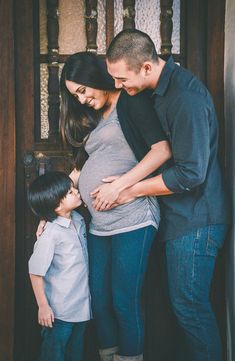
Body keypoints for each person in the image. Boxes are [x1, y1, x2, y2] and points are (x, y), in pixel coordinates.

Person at [89, 29, 229, 361]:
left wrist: (128, 188)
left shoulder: (185, 98)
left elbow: (190, 174)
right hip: (179, 219)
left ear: (148, 68)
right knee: (180, 309)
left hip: (196, 221)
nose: (120, 87)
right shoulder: (155, 92)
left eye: (123, 79)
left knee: (190, 309)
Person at [58, 52, 172, 361]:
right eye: (74, 95)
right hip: (100, 224)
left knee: (124, 300)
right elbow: (81, 169)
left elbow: (161, 151)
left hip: (134, 218)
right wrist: (52, 211)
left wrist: (119, 185)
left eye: (83, 90)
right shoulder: (96, 117)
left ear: (96, 77)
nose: (81, 99)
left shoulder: (130, 101)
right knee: (100, 301)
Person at [28, 171, 91, 361]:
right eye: (70, 192)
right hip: (59, 313)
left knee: (75, 354)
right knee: (54, 354)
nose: (77, 192)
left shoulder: (78, 220)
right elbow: (35, 272)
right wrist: (43, 307)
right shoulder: (50, 234)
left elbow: (79, 171)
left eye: (73, 188)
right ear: (56, 205)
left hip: (81, 309)